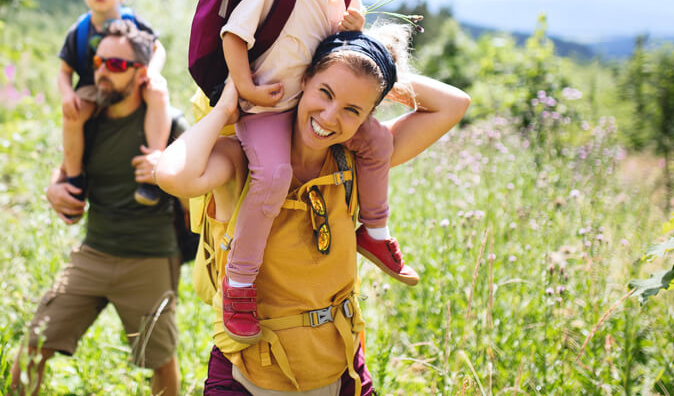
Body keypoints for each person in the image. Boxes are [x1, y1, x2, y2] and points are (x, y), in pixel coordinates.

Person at [157, 27, 470, 394]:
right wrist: (227, 106)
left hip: (340, 372)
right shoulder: (242, 159)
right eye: (325, 92)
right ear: (302, 79)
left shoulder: (358, 161)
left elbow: (455, 104)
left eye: (353, 109)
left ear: (367, 116)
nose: (330, 116)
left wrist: (374, 66)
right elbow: (173, 176)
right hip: (247, 375)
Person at [216, 0, 415, 343]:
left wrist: (351, 24)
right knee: (274, 175)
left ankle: (375, 230)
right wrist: (244, 89)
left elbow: (343, 34)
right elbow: (234, 35)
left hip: (311, 102)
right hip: (267, 106)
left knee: (376, 144)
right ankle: (239, 281)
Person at [10, 20, 186, 396]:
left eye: (117, 65)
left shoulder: (169, 124)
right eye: (99, 61)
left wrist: (168, 174)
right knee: (32, 347)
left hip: (150, 258)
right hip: (93, 252)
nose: (103, 71)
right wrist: (53, 189)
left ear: (141, 73)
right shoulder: (89, 118)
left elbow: (198, 190)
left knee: (161, 360)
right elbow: (66, 170)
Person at [57, 0, 170, 206]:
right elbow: (64, 71)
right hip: (92, 86)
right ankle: (75, 178)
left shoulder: (135, 23)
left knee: (158, 93)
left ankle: (151, 166)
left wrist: (152, 72)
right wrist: (67, 94)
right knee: (72, 116)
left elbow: (157, 49)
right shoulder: (79, 30)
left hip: (131, 82)